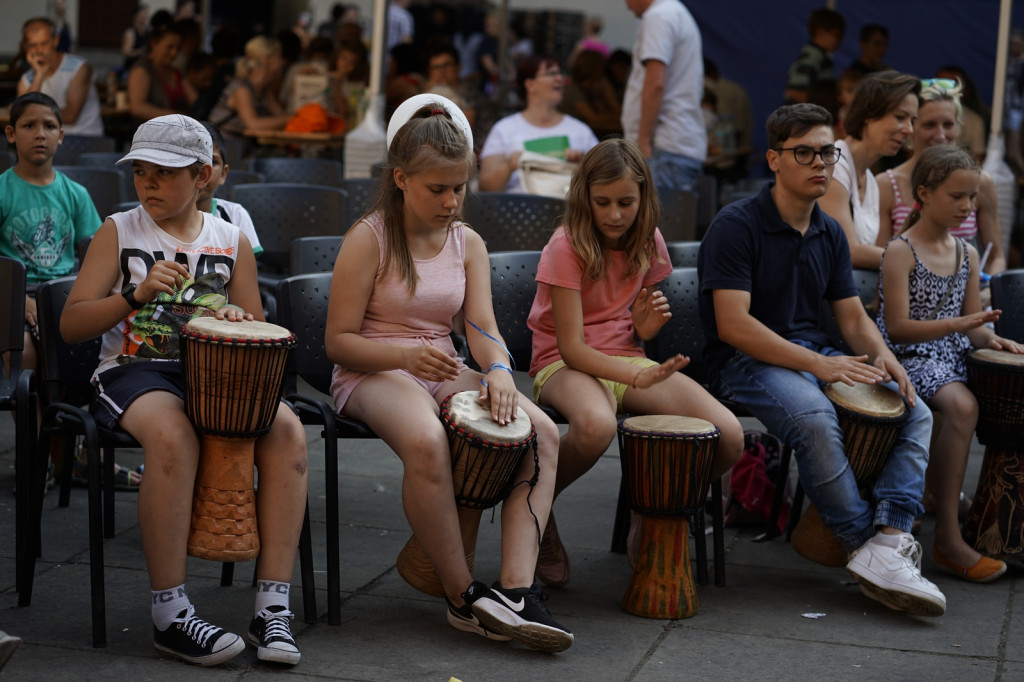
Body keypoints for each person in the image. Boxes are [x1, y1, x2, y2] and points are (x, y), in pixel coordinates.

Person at [324, 95, 573, 652]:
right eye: (437, 189)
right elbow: (337, 342)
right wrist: (404, 357)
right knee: (427, 440)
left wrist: (502, 371)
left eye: (459, 188)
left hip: (438, 363)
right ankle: (463, 597)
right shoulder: (369, 237)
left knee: (543, 433)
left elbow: (481, 325)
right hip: (373, 368)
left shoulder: (468, 242)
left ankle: (515, 590)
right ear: (401, 179)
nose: (451, 201)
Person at [59, 114, 307, 667]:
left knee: (288, 432)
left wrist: (241, 318)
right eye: (140, 171)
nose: (146, 183)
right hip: (132, 370)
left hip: (213, 375)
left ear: (202, 176)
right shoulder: (118, 231)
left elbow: (258, 329)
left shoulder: (231, 239)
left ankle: (272, 608)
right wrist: (134, 295)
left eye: (163, 174)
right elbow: (72, 325)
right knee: (173, 438)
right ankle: (170, 614)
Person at [699, 102, 946, 617]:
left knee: (914, 409)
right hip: (744, 361)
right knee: (814, 419)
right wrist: (819, 365)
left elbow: (854, 319)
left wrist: (885, 358)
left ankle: (893, 536)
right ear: (773, 159)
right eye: (804, 152)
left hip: (814, 354)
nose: (820, 163)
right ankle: (864, 545)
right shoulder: (736, 224)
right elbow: (734, 326)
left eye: (827, 152)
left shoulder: (830, 232)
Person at [527, 138, 743, 587]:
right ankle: (533, 504)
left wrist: (644, 330)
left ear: (644, 196)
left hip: (628, 360)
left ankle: (656, 511)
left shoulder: (649, 239)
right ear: (584, 195)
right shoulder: (565, 245)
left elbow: (636, 329)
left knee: (729, 438)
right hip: (565, 365)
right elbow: (572, 348)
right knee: (595, 426)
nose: (614, 214)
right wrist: (637, 373)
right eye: (602, 202)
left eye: (626, 202)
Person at [876, 144, 1021, 584]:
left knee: (972, 397)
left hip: (950, 353)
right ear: (923, 193)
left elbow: (973, 329)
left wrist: (994, 338)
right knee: (961, 407)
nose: (966, 206)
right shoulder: (901, 251)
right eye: (956, 196)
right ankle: (950, 540)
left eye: (971, 197)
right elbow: (898, 328)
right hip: (908, 357)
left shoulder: (968, 253)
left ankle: (944, 499)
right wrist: (960, 323)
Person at [1, 93, 110, 484]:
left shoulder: (75, 194)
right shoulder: (2, 190)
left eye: (49, 126)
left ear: (62, 136)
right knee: (25, 357)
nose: (40, 134)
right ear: (11, 134)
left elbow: (96, 255)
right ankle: (36, 454)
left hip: (63, 294)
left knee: (80, 356)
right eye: (29, 126)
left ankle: (70, 451)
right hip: (14, 295)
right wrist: (22, 299)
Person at [876, 79, 1006, 285]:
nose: (940, 135)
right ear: (910, 128)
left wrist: (988, 291)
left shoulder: (981, 183)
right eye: (929, 125)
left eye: (948, 124)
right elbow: (882, 258)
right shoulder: (886, 185)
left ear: (959, 127)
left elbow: (996, 256)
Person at [818, 70, 920, 269]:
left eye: (912, 121)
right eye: (900, 117)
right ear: (868, 114)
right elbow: (848, 250)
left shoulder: (871, 181)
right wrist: (923, 262)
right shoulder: (833, 164)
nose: (909, 130)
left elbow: (876, 252)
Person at [478, 55, 598, 193]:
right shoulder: (503, 129)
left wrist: (583, 169)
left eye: (560, 73)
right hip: (518, 211)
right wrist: (510, 165)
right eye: (551, 73)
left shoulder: (581, 131)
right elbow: (486, 188)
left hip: (568, 212)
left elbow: (603, 183)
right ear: (530, 84)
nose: (560, 78)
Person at [621, 0, 706, 194]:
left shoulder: (658, 16)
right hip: (672, 147)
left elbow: (655, 84)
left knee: (653, 223)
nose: (626, 5)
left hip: (661, 149)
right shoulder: (675, 12)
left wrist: (642, 143)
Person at [17, 17, 104, 137]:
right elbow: (22, 117)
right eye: (33, 45)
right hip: (48, 142)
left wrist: (32, 116)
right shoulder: (26, 80)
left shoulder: (79, 68)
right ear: (25, 46)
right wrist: (40, 75)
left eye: (44, 43)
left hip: (83, 138)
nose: (39, 50)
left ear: (56, 40)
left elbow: (70, 116)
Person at [208, 36, 290, 148]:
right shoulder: (241, 88)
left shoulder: (264, 90)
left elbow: (281, 117)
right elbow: (253, 124)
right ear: (267, 58)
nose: (282, 62)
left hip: (243, 149)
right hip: (223, 150)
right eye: (279, 57)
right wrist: (292, 118)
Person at [197, 122, 262, 258]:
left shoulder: (235, 215)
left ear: (223, 174)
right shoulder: (152, 217)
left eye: (212, 162)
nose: (203, 171)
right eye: (194, 161)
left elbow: (246, 273)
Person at [127, 20, 196, 125]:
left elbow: (196, 102)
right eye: (170, 47)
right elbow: (137, 107)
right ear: (154, 43)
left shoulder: (176, 72)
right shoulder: (142, 70)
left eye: (178, 48)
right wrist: (176, 117)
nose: (174, 53)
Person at [784, 7, 845, 113]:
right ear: (821, 32)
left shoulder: (822, 57)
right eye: (837, 35)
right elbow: (793, 92)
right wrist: (824, 107)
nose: (840, 40)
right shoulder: (812, 56)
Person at [559, 49, 622, 140]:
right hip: (568, 135)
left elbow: (609, 111)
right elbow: (593, 119)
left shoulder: (590, 88)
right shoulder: (572, 88)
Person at [122, 4, 150, 72]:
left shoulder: (147, 32)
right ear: (135, 16)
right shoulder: (130, 32)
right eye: (141, 15)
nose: (144, 17)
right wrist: (141, 51)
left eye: (145, 15)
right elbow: (126, 52)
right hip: (131, 67)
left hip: (144, 67)